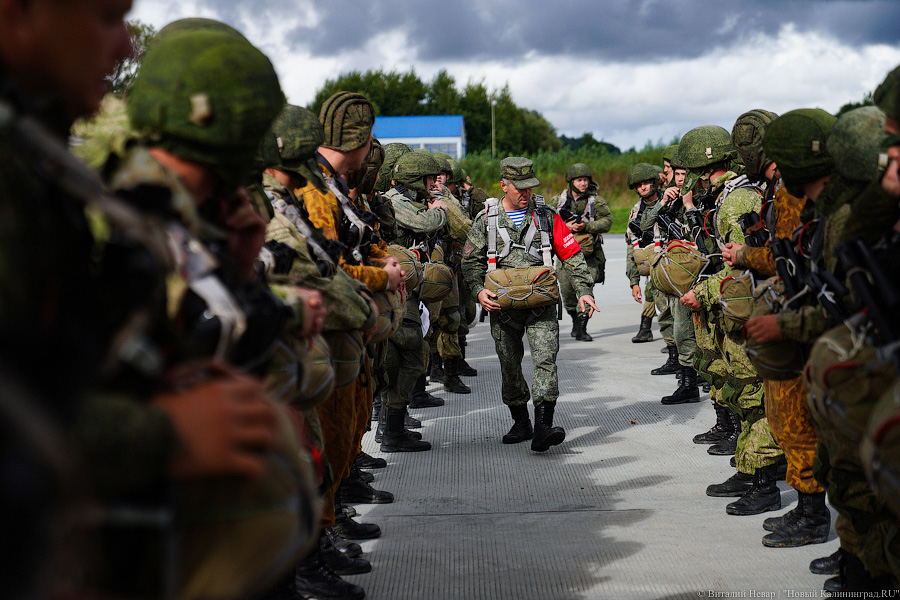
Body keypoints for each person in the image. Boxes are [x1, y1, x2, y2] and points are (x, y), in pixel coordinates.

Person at [462, 157, 598, 452]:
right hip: (503, 307)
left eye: (529, 188)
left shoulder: (546, 217)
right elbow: (469, 260)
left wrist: (584, 290)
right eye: (518, 188)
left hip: (542, 305)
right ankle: (521, 422)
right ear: (504, 186)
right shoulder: (486, 219)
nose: (525, 193)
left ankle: (543, 426)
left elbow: (572, 255)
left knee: (545, 361)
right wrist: (477, 292)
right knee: (509, 366)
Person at [549, 163, 612, 342]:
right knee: (567, 293)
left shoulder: (596, 201)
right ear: (571, 182)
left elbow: (607, 221)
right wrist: (566, 227)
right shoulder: (557, 201)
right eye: (579, 180)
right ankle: (576, 321)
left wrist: (588, 226)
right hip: (564, 255)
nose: (583, 183)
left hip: (589, 255)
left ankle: (583, 327)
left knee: (586, 287)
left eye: (585, 180)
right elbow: (546, 221)